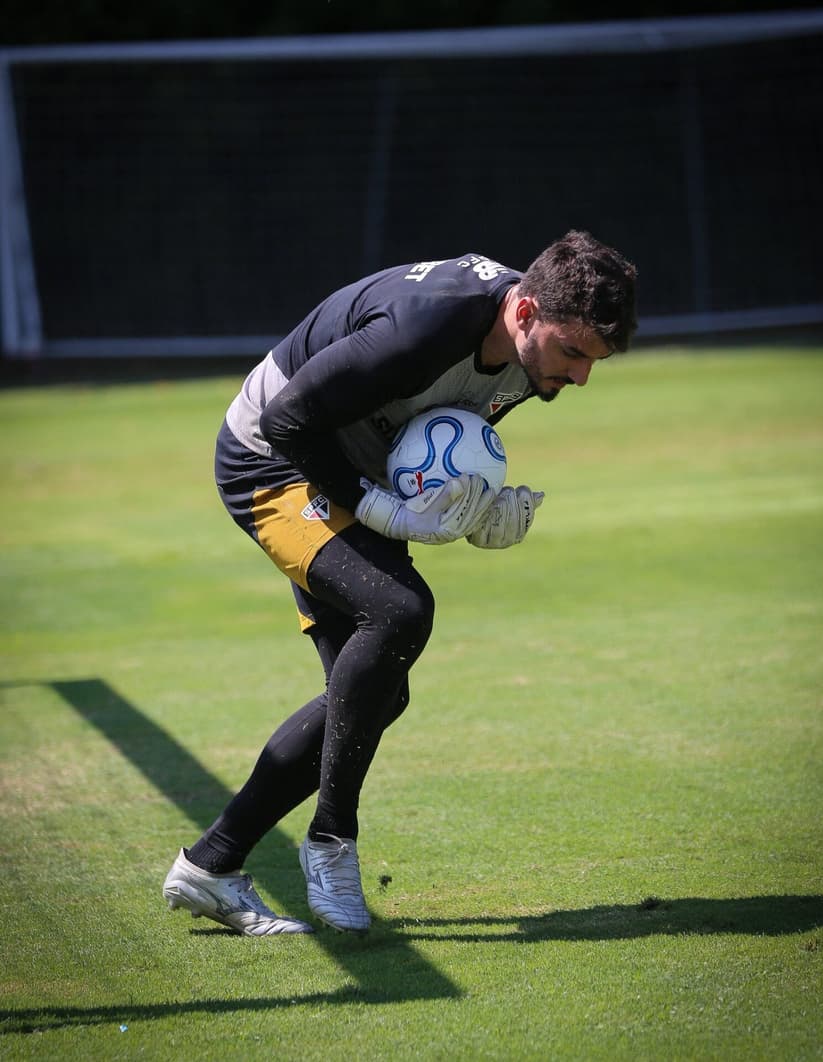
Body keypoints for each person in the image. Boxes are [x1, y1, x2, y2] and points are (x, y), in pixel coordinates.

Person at [163, 230, 637, 934]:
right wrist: (381, 508)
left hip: (344, 467)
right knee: (400, 612)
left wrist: (476, 508)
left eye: (593, 361)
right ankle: (331, 841)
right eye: (574, 353)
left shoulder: (530, 357)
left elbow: (427, 433)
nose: (580, 377)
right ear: (525, 311)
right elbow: (288, 421)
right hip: (271, 460)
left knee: (376, 693)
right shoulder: (429, 324)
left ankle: (210, 865)